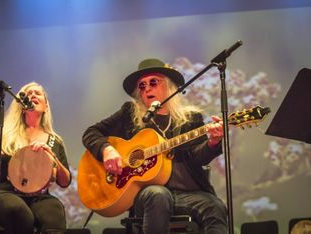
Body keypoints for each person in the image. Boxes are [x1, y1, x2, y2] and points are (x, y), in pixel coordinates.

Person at [82, 58, 227, 233]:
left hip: (189, 193)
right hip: (147, 192)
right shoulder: (130, 114)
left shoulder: (191, 119)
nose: (147, 88)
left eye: (153, 82)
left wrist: (213, 142)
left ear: (170, 86)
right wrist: (107, 150)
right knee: (158, 194)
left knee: (215, 206)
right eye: (142, 86)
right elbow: (91, 133)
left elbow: (197, 158)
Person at [0, 82, 71, 234]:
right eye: (28, 93)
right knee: (19, 212)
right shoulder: (3, 134)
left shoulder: (54, 141)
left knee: (54, 213)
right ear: (21, 104)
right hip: (2, 193)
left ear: (46, 105)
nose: (33, 95)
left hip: (38, 197)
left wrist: (52, 156)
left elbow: (65, 181)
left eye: (37, 93)